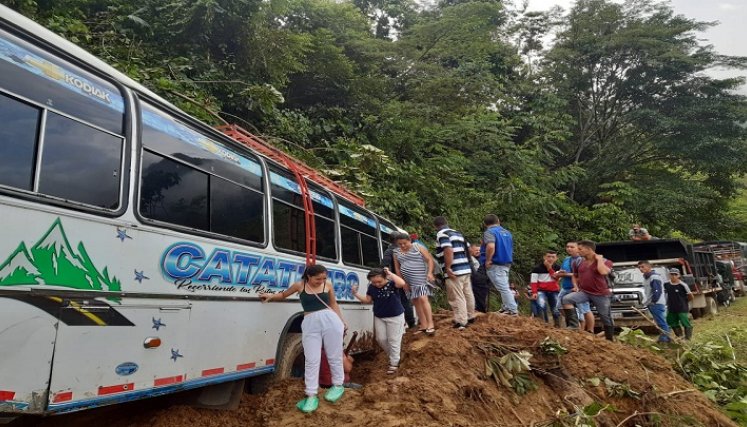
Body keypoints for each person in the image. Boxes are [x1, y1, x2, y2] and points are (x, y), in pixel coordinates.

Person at [260, 264, 345, 413]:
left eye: (324, 278)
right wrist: (270, 296)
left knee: (334, 355)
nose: (321, 281)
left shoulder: (328, 285)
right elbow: (283, 295)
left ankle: (338, 385)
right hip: (310, 323)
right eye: (318, 279)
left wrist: (342, 321)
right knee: (312, 359)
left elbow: (333, 303)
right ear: (308, 277)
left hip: (331, 321)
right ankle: (311, 395)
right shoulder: (299, 286)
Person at [353, 267, 406, 373]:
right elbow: (367, 300)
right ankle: (394, 356)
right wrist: (355, 294)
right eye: (373, 282)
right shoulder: (371, 288)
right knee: (380, 339)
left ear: (385, 277)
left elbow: (402, 283)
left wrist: (390, 273)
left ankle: (394, 364)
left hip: (395, 315)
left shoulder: (391, 284)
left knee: (393, 339)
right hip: (379, 316)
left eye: (379, 281)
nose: (377, 284)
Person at [561, 240, 616, 341]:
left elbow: (603, 272)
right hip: (585, 292)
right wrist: (575, 285)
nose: (578, 251)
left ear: (589, 250)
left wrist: (599, 260)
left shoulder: (605, 261)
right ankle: (574, 326)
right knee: (566, 299)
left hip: (601, 294)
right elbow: (575, 275)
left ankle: (610, 338)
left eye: (580, 249)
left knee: (605, 317)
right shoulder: (578, 262)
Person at [434, 216, 476, 329]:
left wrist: (448, 267)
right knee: (468, 293)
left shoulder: (442, 234)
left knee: (457, 296)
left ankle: (462, 321)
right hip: (466, 268)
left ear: (435, 227)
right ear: (446, 223)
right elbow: (469, 250)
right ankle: (470, 316)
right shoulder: (457, 233)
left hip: (454, 270)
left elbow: (448, 250)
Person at [392, 232, 437, 335]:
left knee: (423, 298)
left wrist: (430, 273)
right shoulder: (396, 252)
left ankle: (431, 324)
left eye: (404, 243)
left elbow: (430, 260)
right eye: (400, 244)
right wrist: (403, 283)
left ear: (409, 241)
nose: (402, 245)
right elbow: (397, 269)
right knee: (415, 301)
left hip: (421, 277)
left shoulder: (418, 247)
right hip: (408, 281)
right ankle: (423, 325)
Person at [480, 214, 518, 316]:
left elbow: (491, 246)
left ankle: (512, 309)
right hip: (506, 262)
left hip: (496, 263)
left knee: (503, 287)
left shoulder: (489, 232)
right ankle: (505, 307)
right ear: (498, 221)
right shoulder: (507, 232)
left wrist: (488, 260)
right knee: (504, 285)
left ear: (485, 224)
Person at [556, 241, 593, 331]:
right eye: (567, 247)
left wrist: (566, 274)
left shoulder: (582, 260)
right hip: (566, 287)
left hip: (580, 288)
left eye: (572, 247)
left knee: (585, 309)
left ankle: (590, 330)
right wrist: (559, 273)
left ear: (578, 249)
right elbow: (562, 270)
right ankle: (575, 324)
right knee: (559, 306)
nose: (569, 249)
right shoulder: (566, 259)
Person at [382, 239, 416, 329]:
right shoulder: (404, 250)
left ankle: (404, 324)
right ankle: (411, 323)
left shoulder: (390, 251)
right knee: (406, 301)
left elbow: (384, 265)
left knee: (401, 301)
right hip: (407, 278)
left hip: (395, 280)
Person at [638, 261, 672, 343]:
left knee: (661, 322)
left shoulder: (654, 277)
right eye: (639, 267)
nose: (640, 269)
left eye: (642, 267)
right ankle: (665, 338)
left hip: (656, 303)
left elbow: (657, 291)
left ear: (649, 267)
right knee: (659, 321)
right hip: (652, 303)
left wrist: (653, 301)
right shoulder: (647, 277)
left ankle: (665, 340)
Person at [529, 250, 561, 327]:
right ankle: (544, 325)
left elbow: (556, 278)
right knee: (541, 305)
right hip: (541, 290)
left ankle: (557, 326)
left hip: (554, 290)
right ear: (544, 257)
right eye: (548, 256)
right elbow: (533, 282)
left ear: (556, 258)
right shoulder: (537, 268)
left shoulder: (558, 268)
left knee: (555, 308)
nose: (550, 259)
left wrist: (549, 268)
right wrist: (534, 292)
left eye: (553, 257)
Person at [664, 268, 694, 340]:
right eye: (672, 274)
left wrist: (684, 302)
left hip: (682, 307)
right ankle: (679, 337)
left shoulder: (683, 285)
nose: (673, 276)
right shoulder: (666, 284)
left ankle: (688, 338)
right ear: (669, 275)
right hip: (671, 307)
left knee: (685, 322)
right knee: (672, 322)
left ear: (679, 275)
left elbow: (691, 296)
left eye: (675, 274)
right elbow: (665, 294)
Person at [468, 243, 490, 313]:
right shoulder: (470, 259)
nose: (478, 252)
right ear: (471, 250)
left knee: (481, 299)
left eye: (479, 250)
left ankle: (481, 312)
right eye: (476, 250)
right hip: (475, 281)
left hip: (483, 282)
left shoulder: (482, 258)